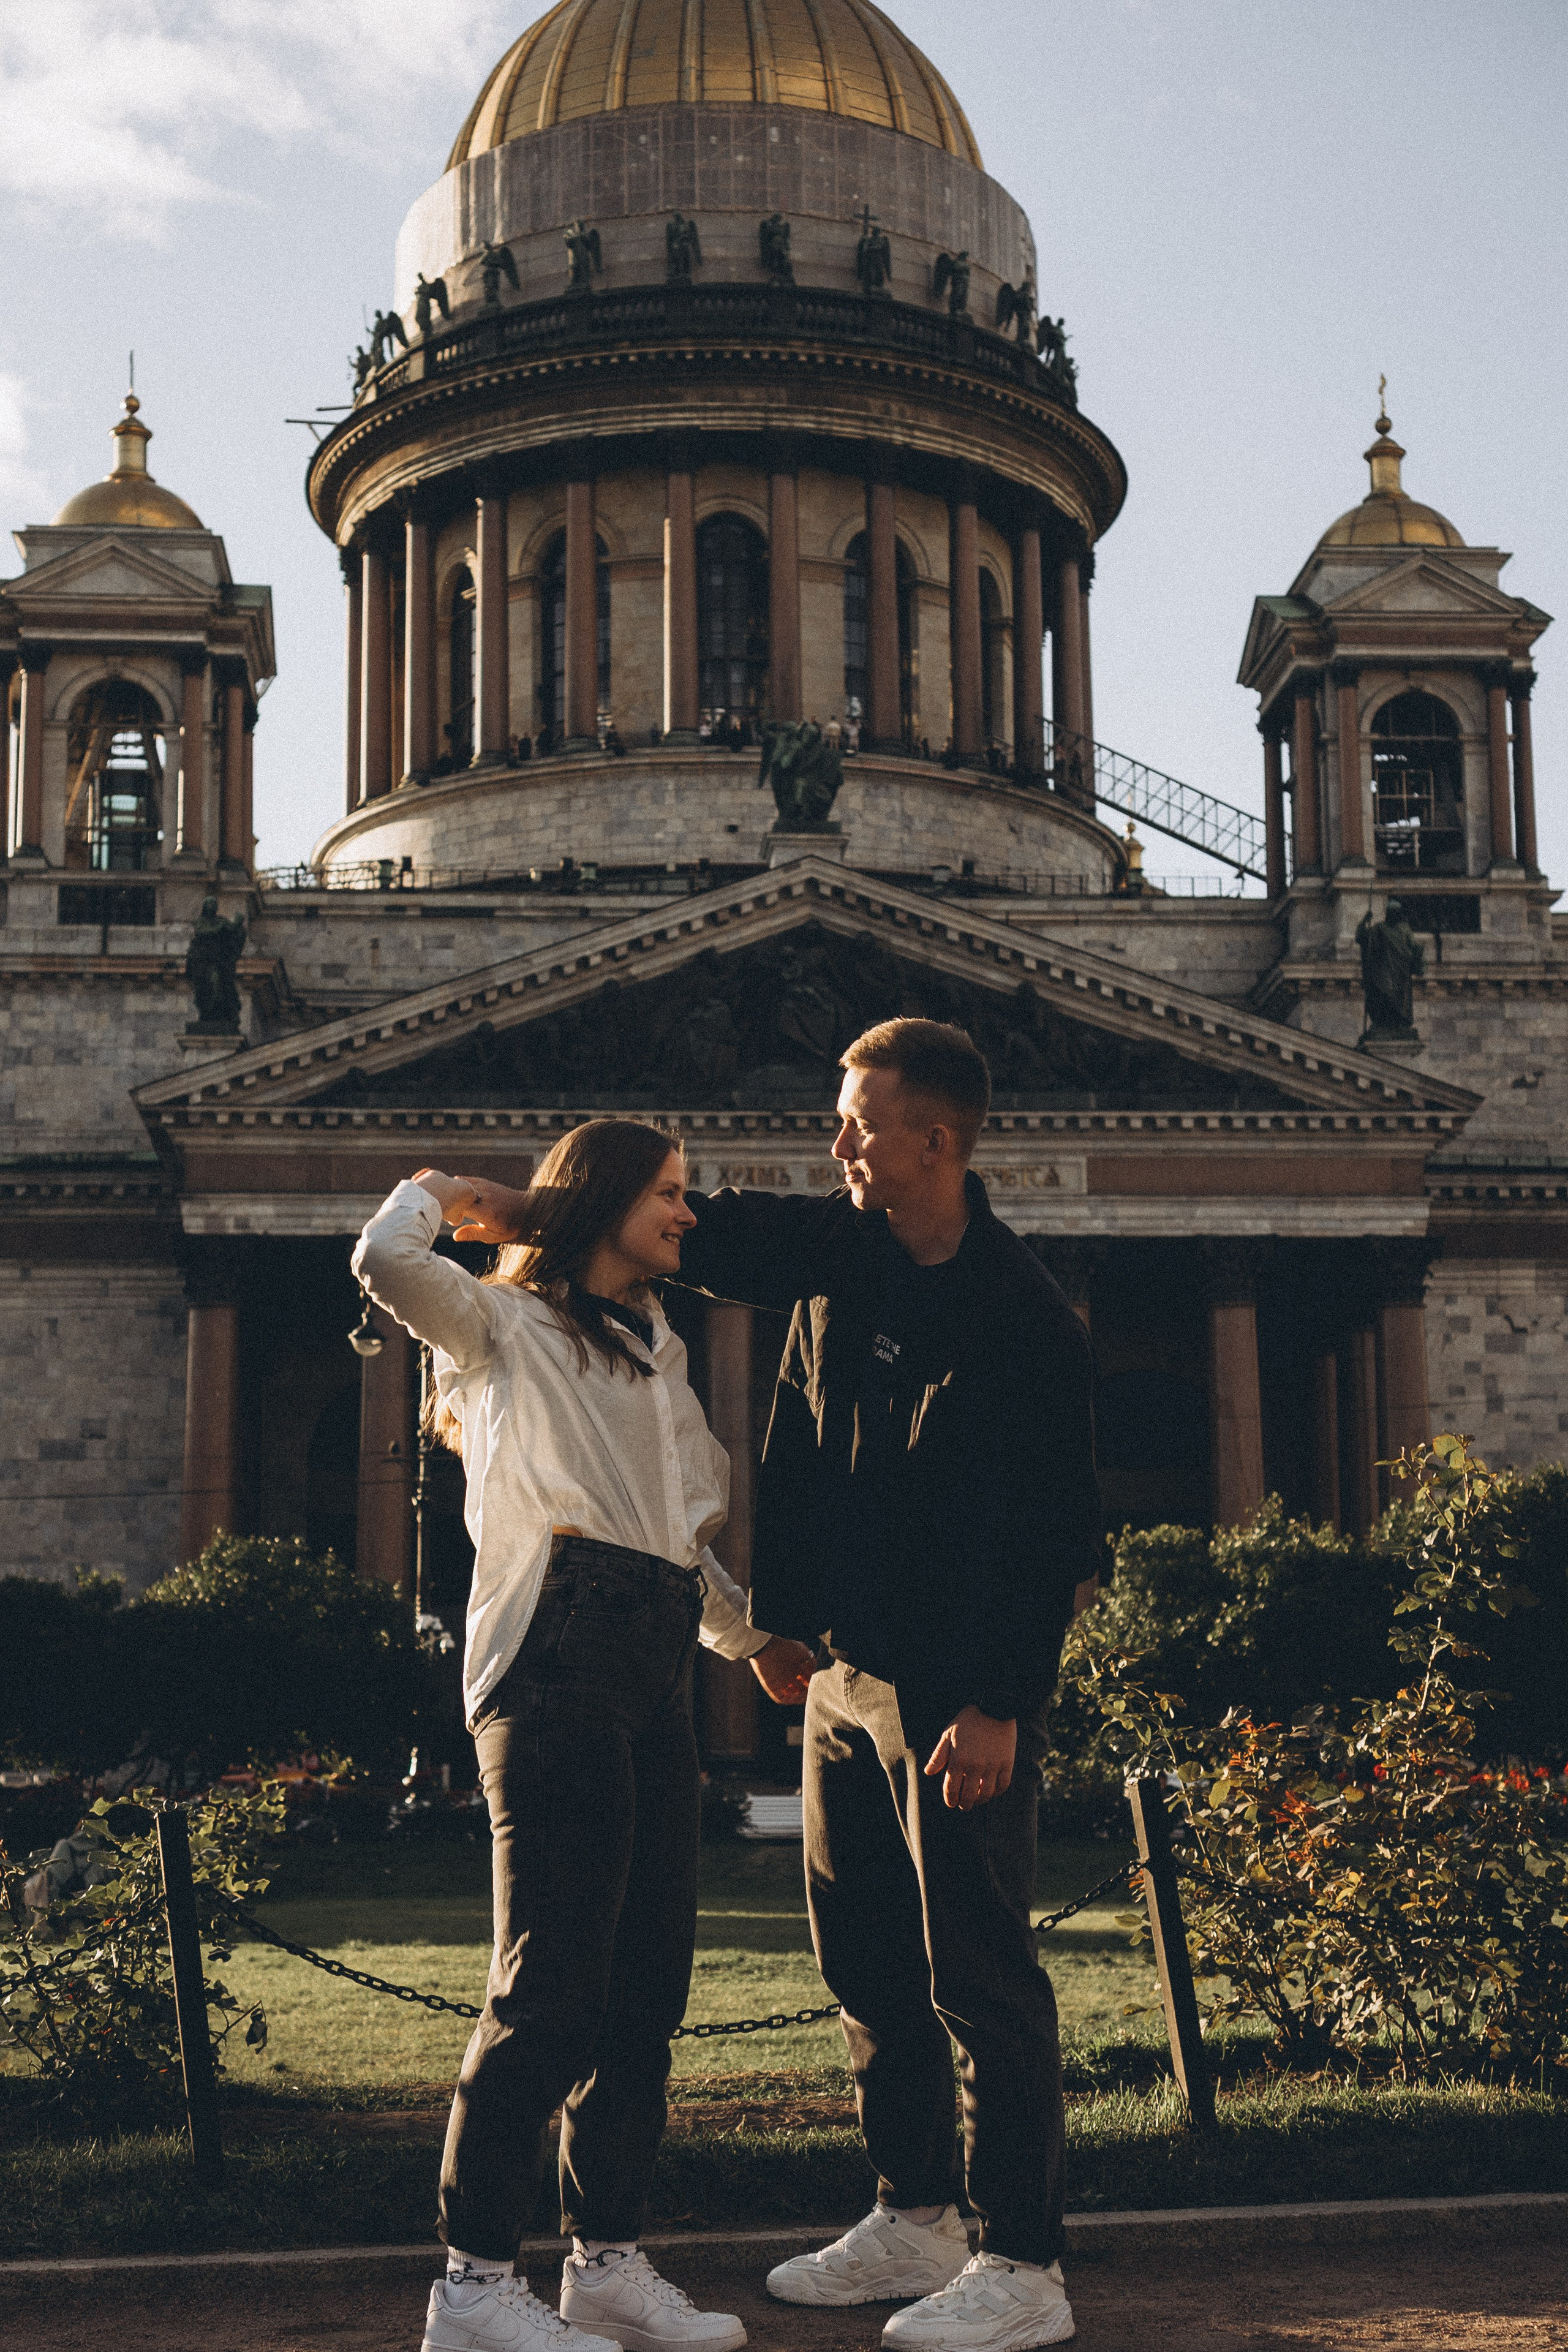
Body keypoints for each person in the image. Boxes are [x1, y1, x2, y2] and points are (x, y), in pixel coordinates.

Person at [447, 1021, 1102, 2352]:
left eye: (858, 1123)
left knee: (978, 1970)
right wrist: (537, 1208)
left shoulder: (1024, 1316)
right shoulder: (842, 1251)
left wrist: (998, 1703)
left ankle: (1024, 2261)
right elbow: (714, 1237)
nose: (837, 1142)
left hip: (950, 1686)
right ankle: (916, 2214)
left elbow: (1050, 1533)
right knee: (864, 1961)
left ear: (935, 1140)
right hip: (845, 1674)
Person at [353, 1120, 816, 2352]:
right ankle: (473, 2285)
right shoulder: (507, 1328)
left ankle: (604, 2261)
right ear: (602, 1199)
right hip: (553, 1662)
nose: (686, 1212)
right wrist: (456, 1195)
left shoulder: (661, 1352)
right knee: (549, 1985)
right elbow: (384, 1262)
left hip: (655, 1655)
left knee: (644, 1990)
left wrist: (750, 1641)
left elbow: (675, 1540)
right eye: (666, 1193)